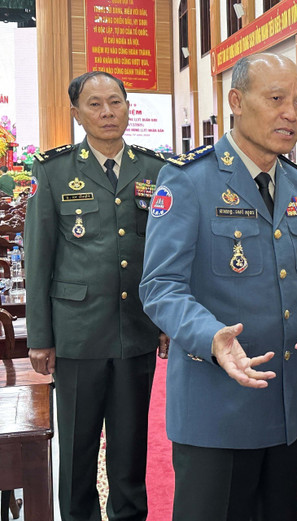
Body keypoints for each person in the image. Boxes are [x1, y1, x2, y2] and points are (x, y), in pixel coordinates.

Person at [139, 53, 297, 521]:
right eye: (276, 99)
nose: (291, 114)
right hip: (215, 411)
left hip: (287, 410)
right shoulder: (188, 180)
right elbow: (161, 286)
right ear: (236, 101)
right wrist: (209, 336)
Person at [24, 70, 169, 521]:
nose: (107, 112)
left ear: (129, 106)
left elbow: (168, 253)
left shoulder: (156, 168)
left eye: (115, 102)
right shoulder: (54, 171)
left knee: (130, 447)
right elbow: (38, 259)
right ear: (77, 113)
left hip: (137, 329)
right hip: (77, 333)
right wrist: (39, 337)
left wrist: (166, 322)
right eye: (95, 104)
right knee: (77, 447)